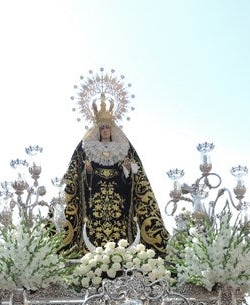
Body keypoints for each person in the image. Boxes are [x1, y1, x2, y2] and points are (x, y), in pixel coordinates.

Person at [61, 95, 169, 256]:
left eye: (107, 128)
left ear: (112, 129)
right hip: (93, 203)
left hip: (119, 202)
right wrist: (88, 172)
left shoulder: (123, 147)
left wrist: (126, 170)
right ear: (98, 130)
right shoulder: (86, 147)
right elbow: (76, 178)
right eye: (102, 128)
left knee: (122, 232)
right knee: (92, 230)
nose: (105, 131)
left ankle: (123, 255)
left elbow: (135, 179)